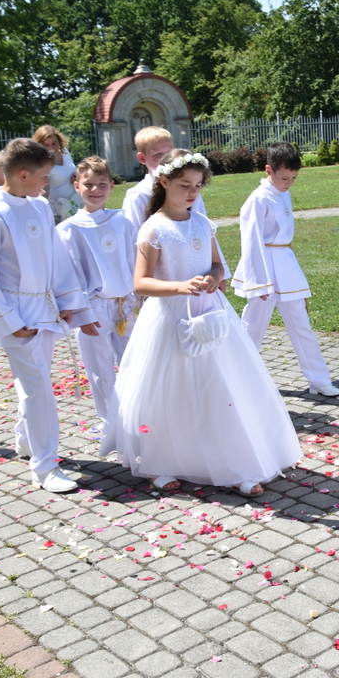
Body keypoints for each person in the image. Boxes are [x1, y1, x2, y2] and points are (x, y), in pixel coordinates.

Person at [112, 150, 303, 496]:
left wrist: (214, 278)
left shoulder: (202, 223)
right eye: (184, 185)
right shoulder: (153, 228)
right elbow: (141, 282)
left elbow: (218, 266)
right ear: (164, 181)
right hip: (170, 319)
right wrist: (180, 286)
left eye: (198, 186)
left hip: (210, 315)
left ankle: (233, 463)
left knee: (221, 388)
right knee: (172, 393)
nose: (192, 192)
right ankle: (160, 461)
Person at [0, 138, 97, 493]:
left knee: (35, 382)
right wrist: (8, 320)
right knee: (39, 389)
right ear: (23, 174)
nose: (48, 182)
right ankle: (44, 466)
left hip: (46, 310)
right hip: (18, 315)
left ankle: (26, 440)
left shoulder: (39, 206)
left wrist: (70, 302)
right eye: (43, 176)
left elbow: (56, 257)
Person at [231, 143, 339, 397]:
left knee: (301, 324)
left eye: (293, 178)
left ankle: (319, 380)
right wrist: (259, 282)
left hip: (284, 263)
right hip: (264, 267)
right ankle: (234, 378)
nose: (288, 183)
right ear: (268, 170)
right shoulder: (257, 199)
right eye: (284, 178)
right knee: (252, 326)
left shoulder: (283, 192)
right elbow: (251, 241)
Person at [57, 157, 138, 456]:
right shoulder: (68, 229)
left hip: (126, 304)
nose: (95, 190)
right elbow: (69, 274)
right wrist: (81, 313)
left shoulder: (123, 222)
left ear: (111, 186)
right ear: (76, 186)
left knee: (133, 362)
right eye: (88, 184)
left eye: (102, 184)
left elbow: (134, 260)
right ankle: (109, 423)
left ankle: (135, 417)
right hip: (93, 307)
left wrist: (140, 299)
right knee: (101, 369)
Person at [122, 126, 206, 231]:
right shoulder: (138, 196)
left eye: (169, 152)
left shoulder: (191, 190)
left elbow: (203, 225)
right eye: (158, 154)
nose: (166, 158)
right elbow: (132, 235)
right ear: (142, 158)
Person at [33, 126, 82, 224]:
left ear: (59, 141)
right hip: (56, 213)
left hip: (73, 207)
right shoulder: (41, 164)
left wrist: (77, 177)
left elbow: (70, 170)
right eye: (46, 145)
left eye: (54, 143)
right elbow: (43, 191)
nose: (51, 148)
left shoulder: (65, 152)